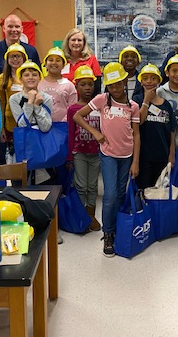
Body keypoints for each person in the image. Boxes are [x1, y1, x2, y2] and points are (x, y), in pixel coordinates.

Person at [73, 62, 140, 257]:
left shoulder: (133, 106)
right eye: (111, 86)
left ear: (125, 81)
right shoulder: (102, 100)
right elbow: (78, 116)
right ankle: (108, 233)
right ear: (106, 87)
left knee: (120, 193)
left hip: (127, 156)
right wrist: (95, 133)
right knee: (110, 195)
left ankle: (118, 229)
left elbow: (136, 135)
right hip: (108, 154)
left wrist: (135, 161)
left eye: (119, 84)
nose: (116, 89)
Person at [66, 65, 101, 231]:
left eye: (90, 84)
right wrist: (69, 156)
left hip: (96, 152)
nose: (87, 88)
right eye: (83, 84)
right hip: (79, 153)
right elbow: (71, 133)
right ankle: (81, 217)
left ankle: (91, 214)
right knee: (81, 185)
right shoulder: (72, 109)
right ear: (76, 87)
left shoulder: (99, 106)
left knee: (92, 186)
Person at [133, 63, 176, 190]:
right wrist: (146, 101)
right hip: (143, 157)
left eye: (153, 78)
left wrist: (171, 154)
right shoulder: (136, 100)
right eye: (145, 78)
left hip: (162, 156)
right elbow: (139, 121)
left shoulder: (166, 104)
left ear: (158, 81)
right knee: (143, 190)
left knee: (159, 191)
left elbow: (172, 131)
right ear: (141, 82)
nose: (149, 81)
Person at [0, 13, 40, 88]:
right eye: (10, 26)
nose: (14, 30)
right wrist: (4, 80)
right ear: (4, 29)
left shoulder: (31, 51)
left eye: (17, 27)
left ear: (22, 29)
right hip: (0, 93)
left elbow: (38, 74)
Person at [0, 43, 28, 162]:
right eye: (12, 56)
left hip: (27, 122)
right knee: (13, 157)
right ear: (7, 59)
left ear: (24, 58)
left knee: (26, 156)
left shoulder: (29, 75)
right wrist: (1, 129)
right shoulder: (3, 78)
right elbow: (1, 103)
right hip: (10, 125)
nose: (15, 59)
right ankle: (15, 180)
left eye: (18, 56)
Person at [9, 61, 53, 133]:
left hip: (43, 141)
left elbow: (46, 127)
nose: (31, 77)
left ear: (40, 78)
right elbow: (23, 125)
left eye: (34, 75)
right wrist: (29, 103)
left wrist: (37, 106)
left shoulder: (47, 98)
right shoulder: (14, 99)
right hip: (25, 139)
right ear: (21, 79)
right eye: (26, 75)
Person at [38, 47, 77, 122]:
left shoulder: (69, 85)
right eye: (51, 60)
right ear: (45, 64)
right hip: (41, 127)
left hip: (63, 127)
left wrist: (63, 123)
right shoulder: (38, 84)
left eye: (58, 60)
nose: (54, 63)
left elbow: (72, 109)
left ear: (63, 65)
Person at [61, 28, 102, 95]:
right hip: (64, 101)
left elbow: (97, 87)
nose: (76, 43)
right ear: (68, 42)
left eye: (79, 40)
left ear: (84, 43)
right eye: (73, 40)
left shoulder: (91, 59)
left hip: (86, 102)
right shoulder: (62, 60)